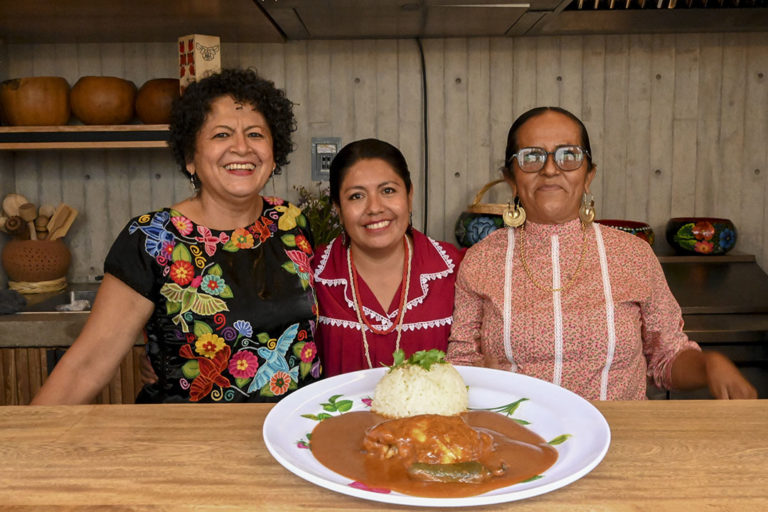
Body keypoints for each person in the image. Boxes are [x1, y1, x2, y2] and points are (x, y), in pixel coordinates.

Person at [32, 68, 320, 404]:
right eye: (221, 135)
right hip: (186, 441)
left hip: (292, 435)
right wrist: (22, 449)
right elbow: (88, 363)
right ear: (190, 159)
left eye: (255, 134)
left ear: (274, 155)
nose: (241, 147)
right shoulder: (153, 238)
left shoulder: (292, 222)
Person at [447, 106, 757, 400]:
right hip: (523, 439)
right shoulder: (482, 260)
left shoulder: (632, 255)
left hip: (622, 437)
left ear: (589, 175)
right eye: (532, 157)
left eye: (569, 155)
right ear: (512, 178)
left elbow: (667, 356)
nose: (551, 169)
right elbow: (461, 362)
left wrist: (708, 365)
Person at [313, 138, 464, 376]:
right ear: (338, 209)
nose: (374, 207)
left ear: (409, 195)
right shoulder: (311, 274)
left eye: (388, 191)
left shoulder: (457, 268)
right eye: (356, 196)